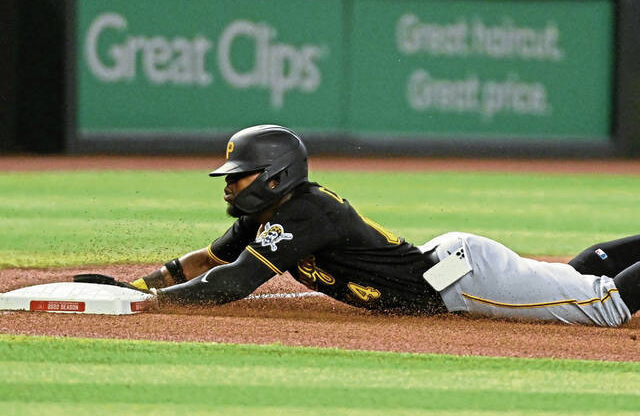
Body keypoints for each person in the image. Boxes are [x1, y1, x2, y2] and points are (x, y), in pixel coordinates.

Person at [82, 124, 639, 327]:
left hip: (463, 284)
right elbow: (208, 263)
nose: (229, 185)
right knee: (571, 282)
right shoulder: (265, 215)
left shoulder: (306, 210)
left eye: (240, 176)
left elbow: (229, 285)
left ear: (276, 177)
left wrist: (144, 305)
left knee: (605, 305)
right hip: (449, 267)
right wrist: (133, 286)